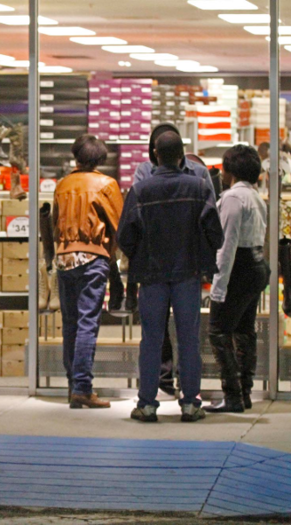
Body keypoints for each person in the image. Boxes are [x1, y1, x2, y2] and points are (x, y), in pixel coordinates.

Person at [118, 131, 223, 423]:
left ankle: (148, 404)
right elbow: (216, 233)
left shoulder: (141, 190)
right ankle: (190, 403)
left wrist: (141, 253)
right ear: (181, 155)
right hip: (188, 274)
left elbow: (124, 236)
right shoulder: (199, 187)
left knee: (151, 339)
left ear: (155, 154)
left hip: (151, 276)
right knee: (189, 339)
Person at [52, 134, 123, 409]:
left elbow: (54, 222)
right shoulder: (106, 185)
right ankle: (82, 387)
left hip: (64, 258)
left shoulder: (62, 185)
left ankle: (73, 385)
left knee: (70, 323)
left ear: (76, 155)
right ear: (100, 159)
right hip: (93, 257)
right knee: (87, 323)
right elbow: (119, 224)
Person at [206, 145, 270, 413]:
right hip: (255, 267)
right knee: (245, 331)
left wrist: (218, 288)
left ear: (229, 170)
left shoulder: (233, 198)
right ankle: (244, 392)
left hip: (238, 269)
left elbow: (227, 244)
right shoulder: (255, 197)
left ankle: (232, 395)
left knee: (218, 332)